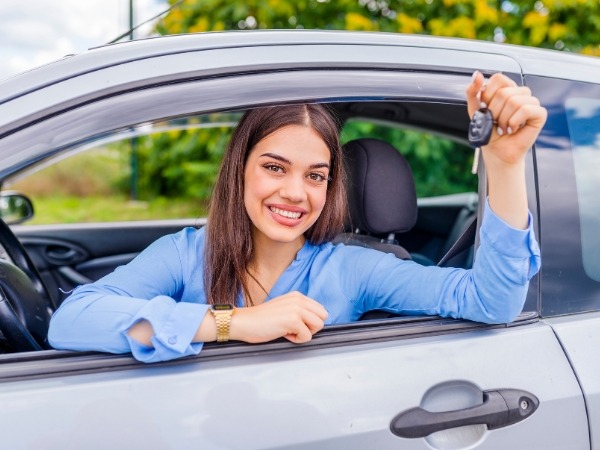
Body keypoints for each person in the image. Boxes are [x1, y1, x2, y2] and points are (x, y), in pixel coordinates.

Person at [48, 72, 545, 363]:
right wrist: (234, 323)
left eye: (316, 175)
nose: (295, 192)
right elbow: (73, 320)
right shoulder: (186, 254)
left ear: (331, 187)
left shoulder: (352, 268)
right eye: (273, 167)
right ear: (238, 171)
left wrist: (504, 165)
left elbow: (491, 301)